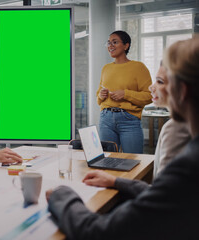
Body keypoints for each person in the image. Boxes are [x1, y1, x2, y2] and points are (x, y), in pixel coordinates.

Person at [46, 36, 199, 240]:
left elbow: (99, 232)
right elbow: (165, 193)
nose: (154, 87)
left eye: (162, 82)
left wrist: (61, 194)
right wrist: (117, 181)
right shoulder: (189, 162)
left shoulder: (189, 166)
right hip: (107, 116)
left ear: (182, 91)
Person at [97, 30, 152, 153]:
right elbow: (98, 97)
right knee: (107, 160)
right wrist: (101, 95)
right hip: (105, 119)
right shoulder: (106, 68)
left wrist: (126, 94)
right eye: (109, 43)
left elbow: (149, 96)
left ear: (126, 45)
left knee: (133, 161)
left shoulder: (139, 67)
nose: (110, 46)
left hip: (129, 121)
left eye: (115, 42)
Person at [149, 64, 191, 177]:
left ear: (181, 89)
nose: (151, 87)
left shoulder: (176, 127)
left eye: (160, 82)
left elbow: (164, 191)